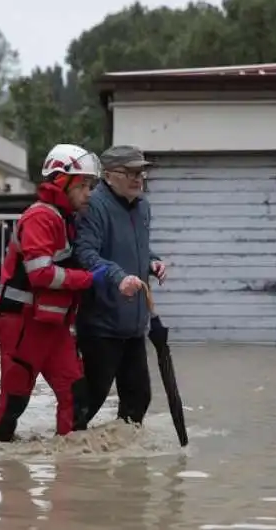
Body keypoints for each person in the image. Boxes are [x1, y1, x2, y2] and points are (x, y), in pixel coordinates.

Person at [0, 143, 119, 442]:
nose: (89, 193)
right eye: (84, 185)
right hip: (22, 321)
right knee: (15, 398)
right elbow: (40, 273)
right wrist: (86, 279)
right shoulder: (41, 218)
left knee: (76, 396)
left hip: (51, 324)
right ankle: (3, 469)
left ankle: (70, 471)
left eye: (90, 186)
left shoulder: (64, 217)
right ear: (61, 181)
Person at [74, 145, 167, 426]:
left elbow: (135, 249)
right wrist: (118, 277)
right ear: (109, 175)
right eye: (130, 172)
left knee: (139, 398)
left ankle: (124, 463)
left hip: (134, 324)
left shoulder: (142, 206)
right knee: (91, 399)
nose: (138, 178)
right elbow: (85, 254)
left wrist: (153, 262)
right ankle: (67, 460)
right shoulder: (94, 206)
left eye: (141, 172)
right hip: (102, 324)